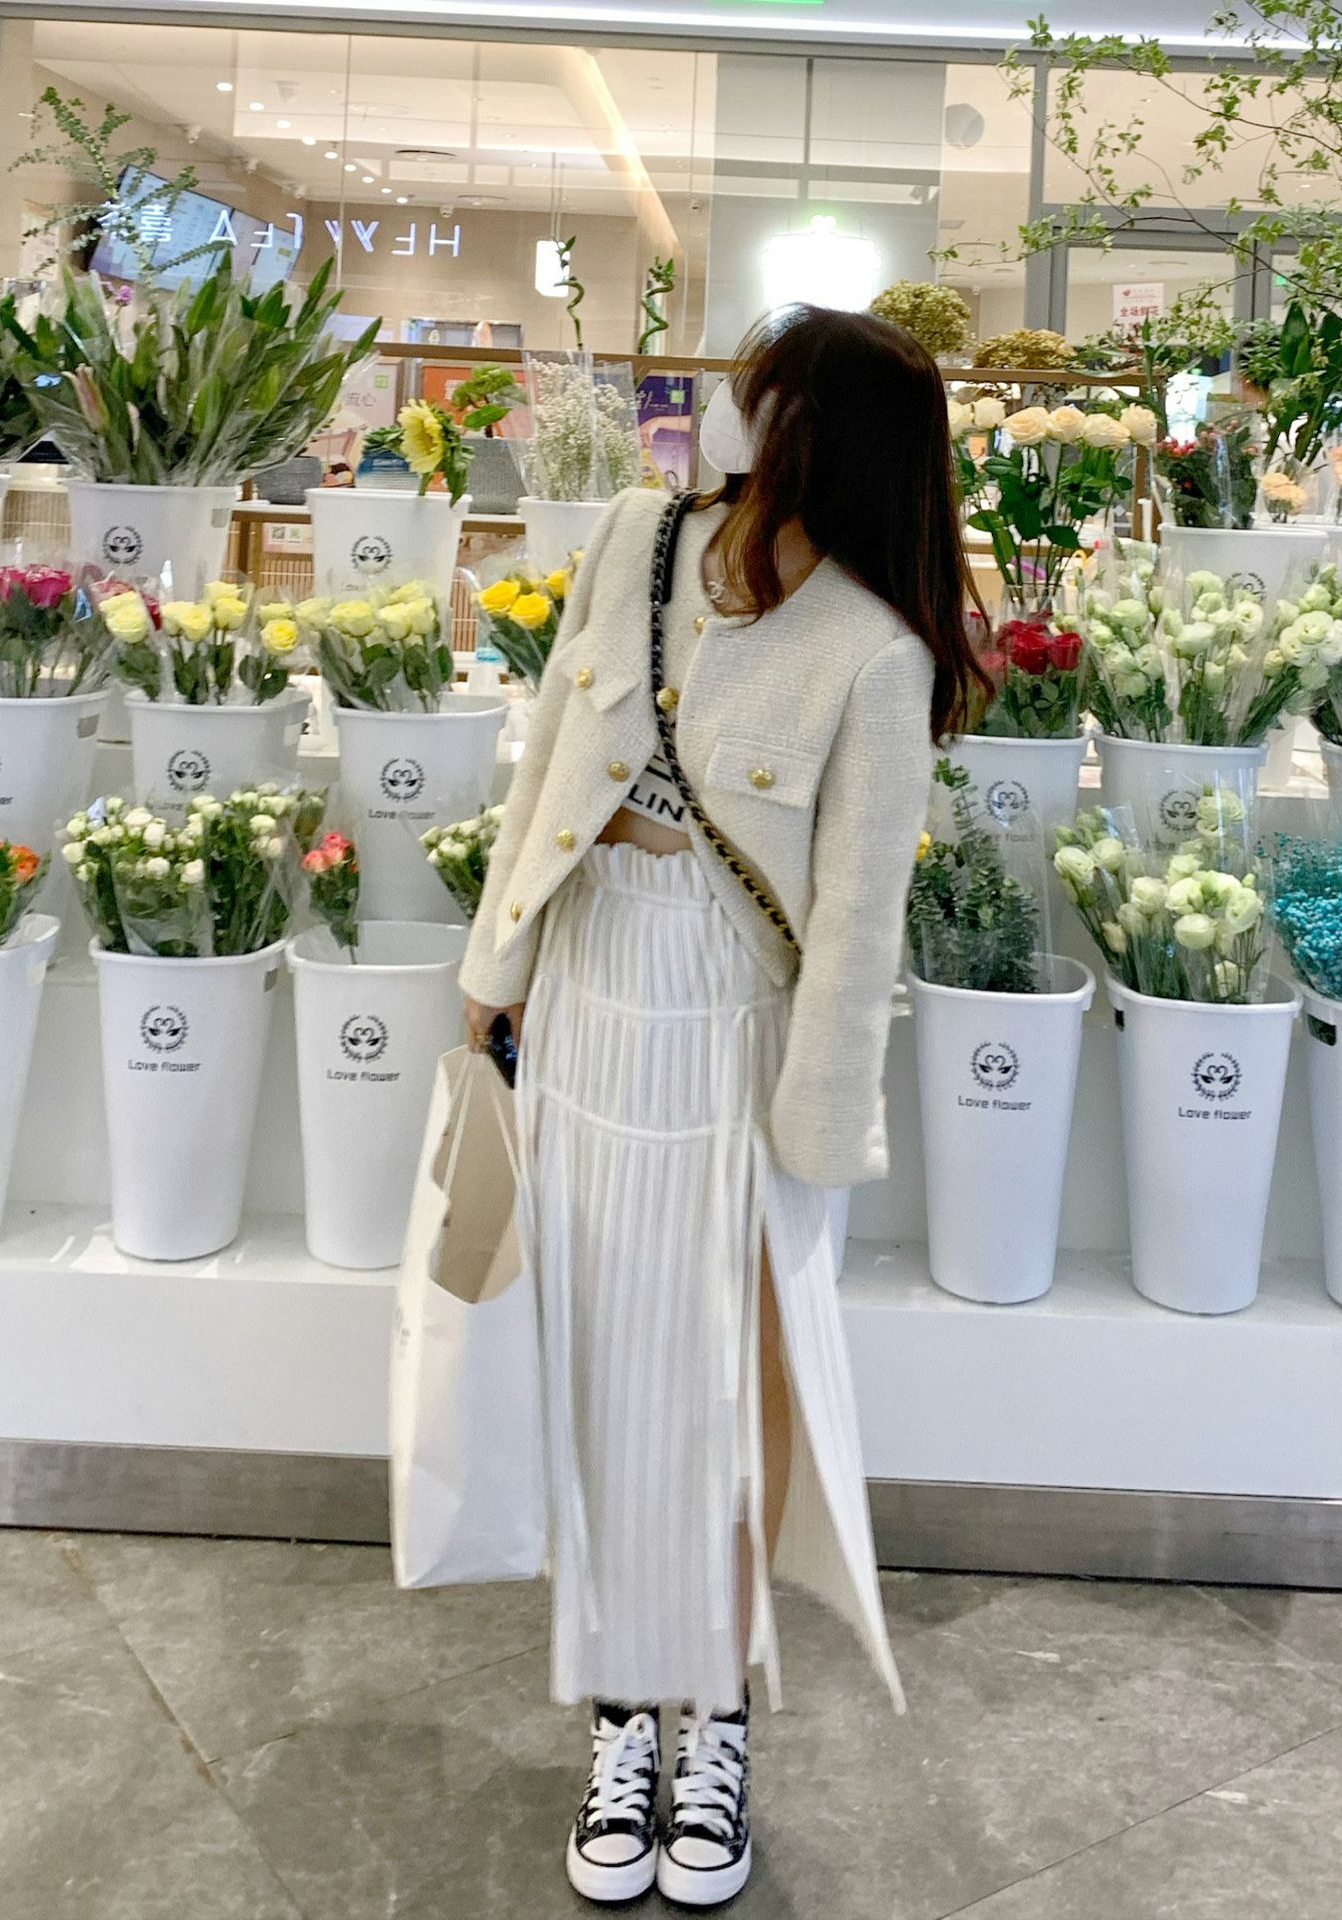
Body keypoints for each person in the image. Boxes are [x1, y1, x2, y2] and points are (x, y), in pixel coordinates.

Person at [458, 303, 988, 1908]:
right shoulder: (640, 538)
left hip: (736, 1030)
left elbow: (857, 926)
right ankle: (624, 1716)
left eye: (766, 397)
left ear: (823, 434)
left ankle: (720, 1721)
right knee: (603, 1373)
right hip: (593, 988)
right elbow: (550, 760)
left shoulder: (875, 651)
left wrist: (814, 1145)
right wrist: (495, 967)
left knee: (725, 1393)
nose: (733, 417)